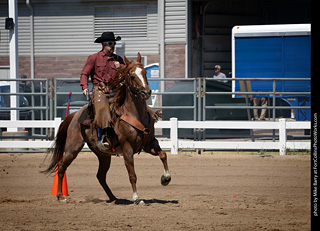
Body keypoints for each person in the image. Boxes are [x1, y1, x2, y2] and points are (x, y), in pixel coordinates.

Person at [80, 32, 125, 150]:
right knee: (103, 106)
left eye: (114, 43)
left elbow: (127, 73)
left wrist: (120, 67)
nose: (113, 46)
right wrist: (85, 87)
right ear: (103, 44)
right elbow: (85, 73)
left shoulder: (118, 60)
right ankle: (102, 138)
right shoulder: (93, 58)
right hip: (99, 89)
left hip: (114, 90)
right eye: (110, 43)